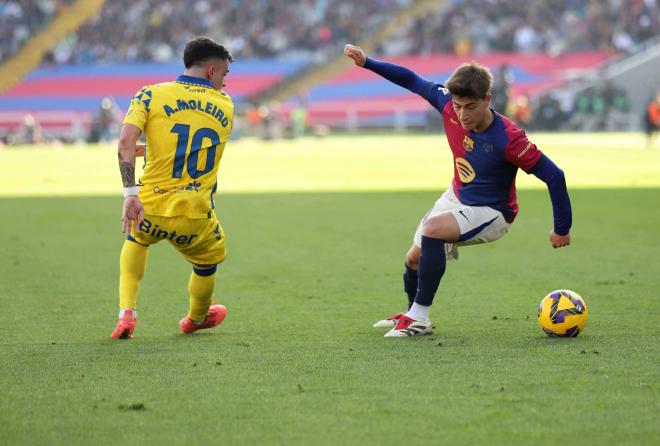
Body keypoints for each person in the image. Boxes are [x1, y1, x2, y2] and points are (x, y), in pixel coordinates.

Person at [343, 44, 572, 337]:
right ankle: (412, 313)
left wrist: (562, 228)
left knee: (433, 229)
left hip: (493, 212)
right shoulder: (448, 105)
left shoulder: (509, 138)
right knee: (413, 258)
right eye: (458, 105)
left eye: (471, 107)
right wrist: (367, 62)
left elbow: (554, 175)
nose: (462, 114)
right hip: (457, 196)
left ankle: (420, 319)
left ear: (487, 99)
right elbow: (412, 80)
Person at [111, 36, 234, 339]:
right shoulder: (225, 106)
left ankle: (127, 312)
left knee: (136, 241)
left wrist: (130, 194)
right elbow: (191, 142)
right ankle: (195, 318)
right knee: (207, 264)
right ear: (210, 71)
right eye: (224, 74)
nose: (225, 83)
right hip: (194, 214)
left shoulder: (150, 95)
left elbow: (125, 143)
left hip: (149, 206)